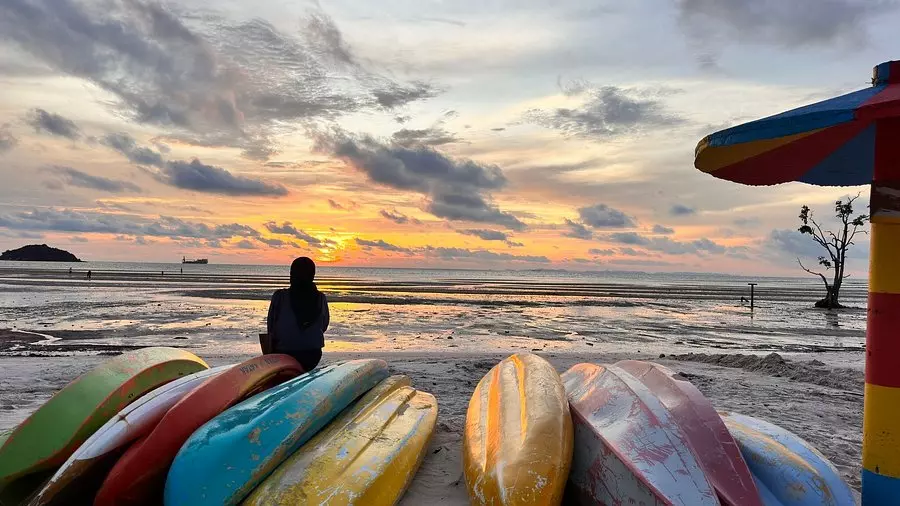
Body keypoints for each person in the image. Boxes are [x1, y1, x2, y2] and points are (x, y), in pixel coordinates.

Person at [266, 257, 328, 371]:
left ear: (292, 275)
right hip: (313, 355)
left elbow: (271, 327)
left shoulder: (280, 297)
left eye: (291, 273)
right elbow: (324, 326)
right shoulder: (320, 298)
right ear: (312, 276)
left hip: (284, 353)